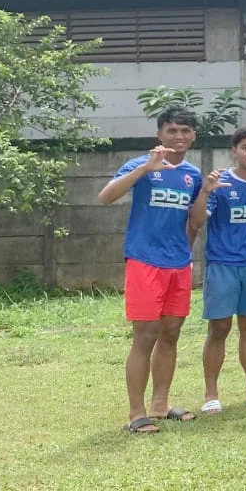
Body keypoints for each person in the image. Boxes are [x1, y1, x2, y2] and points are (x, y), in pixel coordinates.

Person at [98, 105, 204, 433]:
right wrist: (145, 169)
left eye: (185, 131)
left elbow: (195, 220)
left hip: (178, 264)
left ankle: (160, 404)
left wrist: (207, 193)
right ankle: (136, 413)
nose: (178, 136)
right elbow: (105, 197)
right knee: (145, 336)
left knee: (171, 333)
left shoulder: (193, 175)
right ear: (159, 134)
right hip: (144, 261)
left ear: (193, 136)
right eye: (172, 130)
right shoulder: (141, 165)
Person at [188, 122, 246, 414]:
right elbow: (196, 222)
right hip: (222, 265)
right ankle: (211, 394)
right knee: (219, 328)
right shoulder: (219, 183)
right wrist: (205, 193)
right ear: (234, 151)